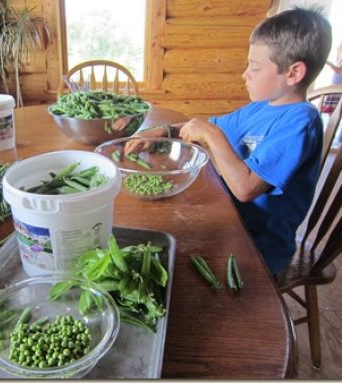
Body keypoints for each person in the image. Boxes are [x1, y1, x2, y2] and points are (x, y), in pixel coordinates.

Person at [125, 7, 332, 276]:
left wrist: (211, 136)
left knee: (172, 262)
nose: (245, 74)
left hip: (259, 245)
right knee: (157, 232)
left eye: (254, 67)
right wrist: (162, 132)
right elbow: (206, 127)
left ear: (293, 73)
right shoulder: (261, 108)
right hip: (232, 219)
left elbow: (245, 188)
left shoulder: (300, 123)